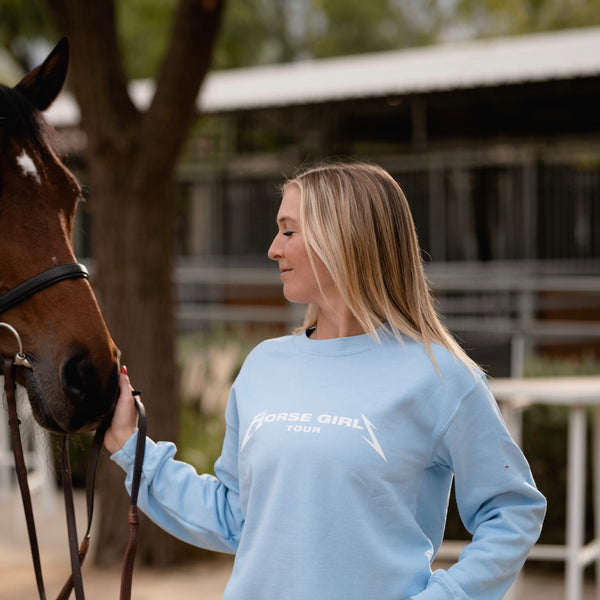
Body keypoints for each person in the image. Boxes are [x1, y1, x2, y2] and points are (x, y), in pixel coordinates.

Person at [106, 161, 546, 600]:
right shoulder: (264, 364)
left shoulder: (441, 376)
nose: (273, 249)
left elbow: (513, 510)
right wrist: (131, 446)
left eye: (289, 231)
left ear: (344, 238)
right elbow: (234, 517)